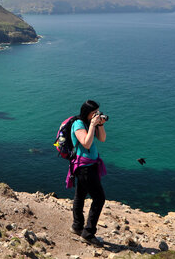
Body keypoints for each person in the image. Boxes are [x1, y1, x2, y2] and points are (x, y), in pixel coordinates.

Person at [67, 100, 107, 247]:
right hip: (84, 167)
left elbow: (102, 139)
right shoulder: (78, 124)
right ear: (87, 113)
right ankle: (88, 234)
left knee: (81, 195)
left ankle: (77, 226)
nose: (97, 114)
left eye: (98, 112)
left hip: (90, 165)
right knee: (99, 198)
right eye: (94, 112)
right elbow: (86, 143)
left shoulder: (91, 123)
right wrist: (92, 125)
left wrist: (100, 124)